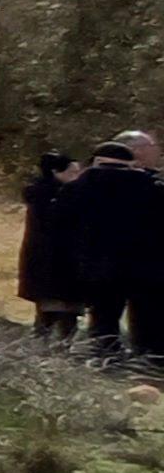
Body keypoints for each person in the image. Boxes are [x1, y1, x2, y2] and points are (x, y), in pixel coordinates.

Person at [60, 140, 164, 360]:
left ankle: (105, 359)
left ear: (97, 161)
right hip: (146, 267)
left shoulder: (76, 189)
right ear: (130, 163)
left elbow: (60, 228)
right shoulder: (152, 188)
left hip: (96, 266)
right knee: (147, 319)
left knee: (103, 319)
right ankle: (149, 361)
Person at [19, 151, 88, 344]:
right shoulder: (60, 197)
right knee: (62, 313)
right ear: (56, 172)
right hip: (59, 262)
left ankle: (43, 349)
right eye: (72, 172)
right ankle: (58, 349)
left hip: (42, 262)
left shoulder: (39, 194)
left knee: (47, 313)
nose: (77, 177)